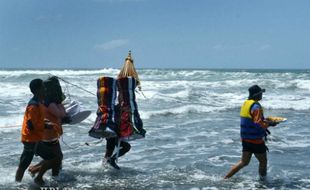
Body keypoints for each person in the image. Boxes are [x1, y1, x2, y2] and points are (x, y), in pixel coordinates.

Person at [224, 85, 278, 179]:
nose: (262, 94)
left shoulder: (246, 103)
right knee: (263, 161)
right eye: (261, 93)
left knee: (244, 162)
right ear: (256, 94)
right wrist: (270, 124)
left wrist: (265, 120)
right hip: (256, 140)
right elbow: (258, 124)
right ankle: (263, 183)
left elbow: (252, 119)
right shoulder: (256, 106)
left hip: (245, 139)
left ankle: (225, 178)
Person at [104, 51, 145, 170]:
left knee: (110, 146)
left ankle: (104, 167)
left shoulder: (118, 84)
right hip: (118, 122)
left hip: (111, 121)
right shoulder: (125, 100)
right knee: (124, 147)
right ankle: (110, 162)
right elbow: (129, 109)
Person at [15, 79, 59, 185]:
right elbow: (31, 125)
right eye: (43, 87)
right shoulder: (33, 106)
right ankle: (36, 178)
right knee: (54, 159)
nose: (45, 89)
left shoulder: (38, 103)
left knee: (24, 163)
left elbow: (35, 120)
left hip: (32, 139)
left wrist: (44, 121)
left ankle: (18, 184)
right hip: (31, 139)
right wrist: (46, 125)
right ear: (37, 90)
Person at [28, 76, 67, 179]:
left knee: (58, 157)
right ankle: (34, 170)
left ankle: (56, 176)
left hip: (47, 135)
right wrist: (61, 106)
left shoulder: (43, 100)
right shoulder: (50, 103)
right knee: (55, 158)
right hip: (49, 136)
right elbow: (61, 114)